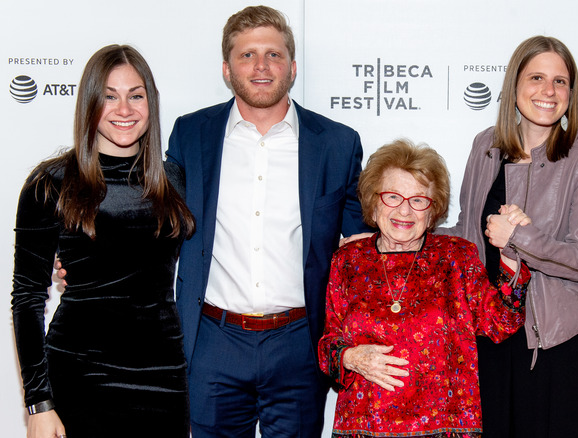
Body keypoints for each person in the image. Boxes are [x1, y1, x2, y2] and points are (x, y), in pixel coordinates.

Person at [164, 5, 370, 437]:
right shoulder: (191, 134)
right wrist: (92, 261)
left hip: (298, 341)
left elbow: (364, 245)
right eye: (247, 55)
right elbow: (157, 217)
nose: (261, 66)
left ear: (292, 67)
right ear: (226, 68)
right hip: (213, 343)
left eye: (273, 55)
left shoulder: (337, 143)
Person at [11, 44, 195, 438]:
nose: (124, 109)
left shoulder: (174, 180)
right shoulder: (51, 182)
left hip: (163, 377)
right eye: (109, 96)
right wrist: (39, 403)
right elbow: (27, 297)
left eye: (136, 95)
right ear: (89, 104)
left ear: (151, 103)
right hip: (79, 374)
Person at [437, 36, 578, 437]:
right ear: (514, 86)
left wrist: (519, 237)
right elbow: (468, 233)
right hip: (485, 335)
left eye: (560, 81)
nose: (548, 91)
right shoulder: (486, 145)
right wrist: (401, 236)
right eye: (536, 77)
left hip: (548, 341)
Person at [319, 139, 529, 438]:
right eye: (392, 197)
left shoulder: (457, 256)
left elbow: (501, 323)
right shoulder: (348, 261)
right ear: (374, 204)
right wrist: (349, 358)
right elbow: (327, 344)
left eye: (418, 200)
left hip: (445, 428)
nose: (404, 210)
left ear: (432, 212)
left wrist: (510, 253)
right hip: (364, 426)